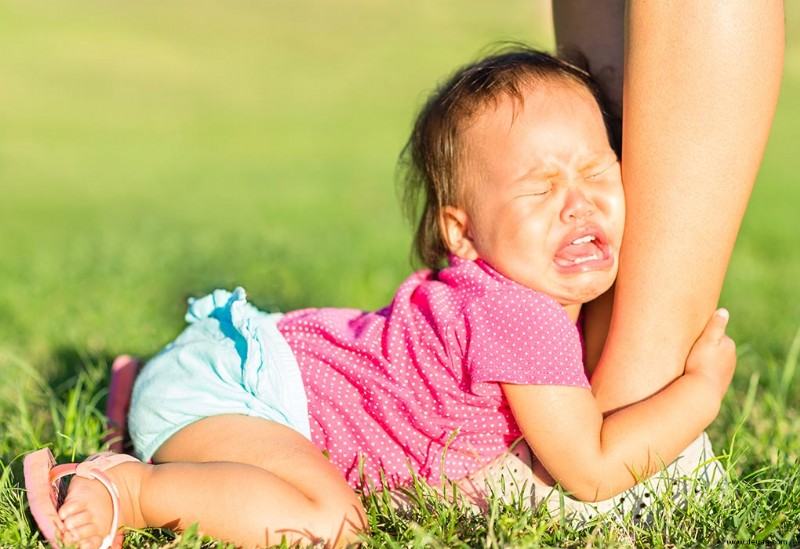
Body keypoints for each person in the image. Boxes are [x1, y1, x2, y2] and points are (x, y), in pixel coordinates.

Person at [24, 46, 735, 549]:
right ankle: (131, 488)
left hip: (240, 367)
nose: (578, 204)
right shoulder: (522, 316)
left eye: (596, 171)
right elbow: (592, 465)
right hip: (240, 393)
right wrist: (699, 392)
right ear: (462, 232)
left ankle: (147, 403)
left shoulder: (507, 294)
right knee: (331, 524)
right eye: (541, 188)